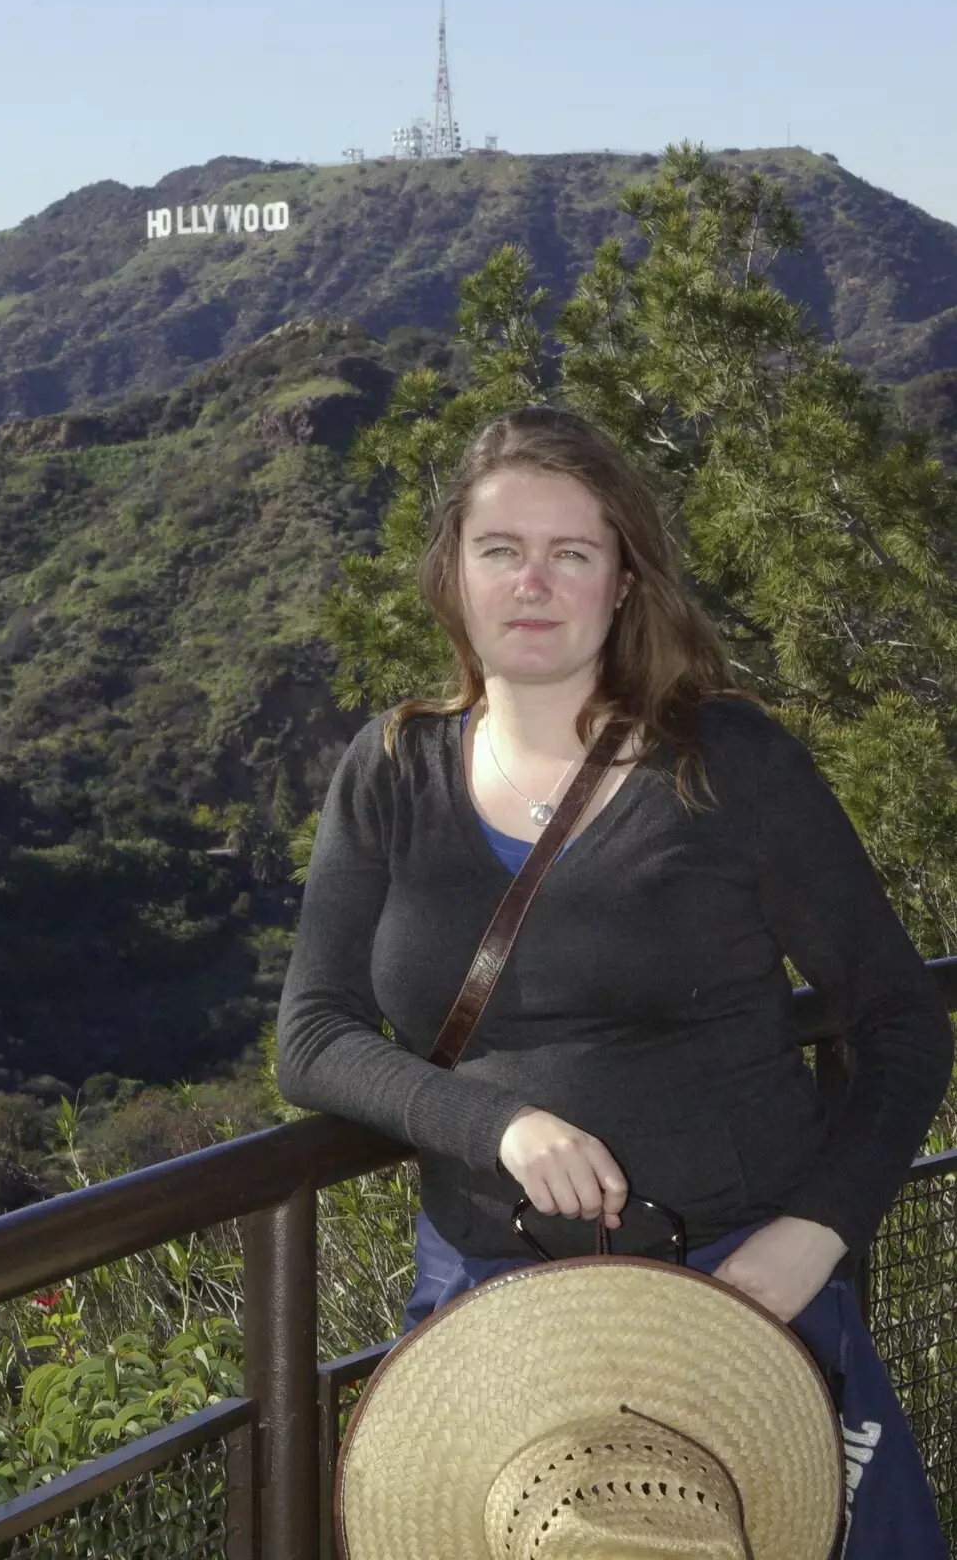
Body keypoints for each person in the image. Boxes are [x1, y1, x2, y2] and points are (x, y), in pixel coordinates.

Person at [276, 405, 954, 1557]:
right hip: (492, 1309)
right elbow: (313, 1033)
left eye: (571, 553)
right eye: (501, 550)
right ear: (454, 572)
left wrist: (819, 1232)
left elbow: (899, 1017)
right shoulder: (391, 767)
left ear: (624, 581)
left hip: (736, 1297)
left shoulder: (727, 765)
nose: (533, 582)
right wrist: (497, 1123)